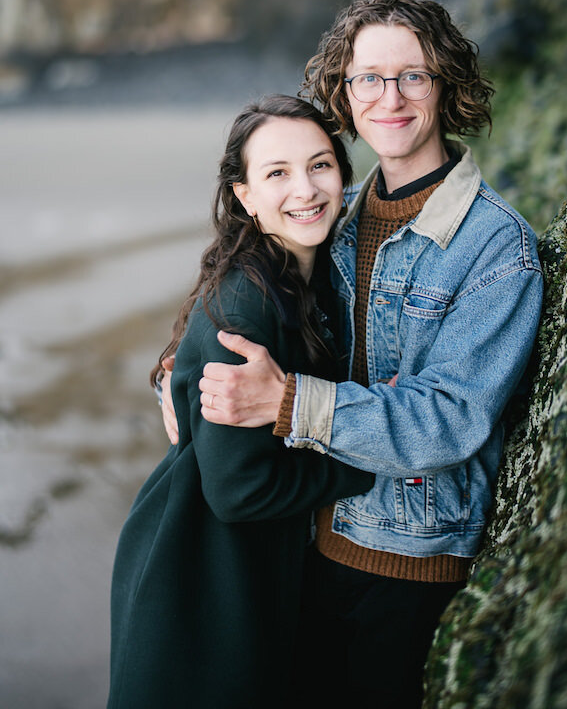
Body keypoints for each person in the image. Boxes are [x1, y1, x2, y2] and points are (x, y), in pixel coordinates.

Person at [191, 0, 544, 707]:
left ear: (446, 86)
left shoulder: (496, 246)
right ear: (344, 96)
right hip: (308, 542)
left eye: (413, 74)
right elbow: (270, 314)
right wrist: (186, 374)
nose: (391, 97)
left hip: (406, 566)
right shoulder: (340, 219)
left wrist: (288, 403)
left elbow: (448, 418)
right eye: (368, 79)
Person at [109, 95, 375, 708]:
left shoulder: (308, 273)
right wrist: (372, 458)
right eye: (276, 173)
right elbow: (239, 490)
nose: (305, 189)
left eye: (320, 165)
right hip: (198, 580)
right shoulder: (247, 302)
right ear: (245, 197)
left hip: (242, 570)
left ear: (343, 173)